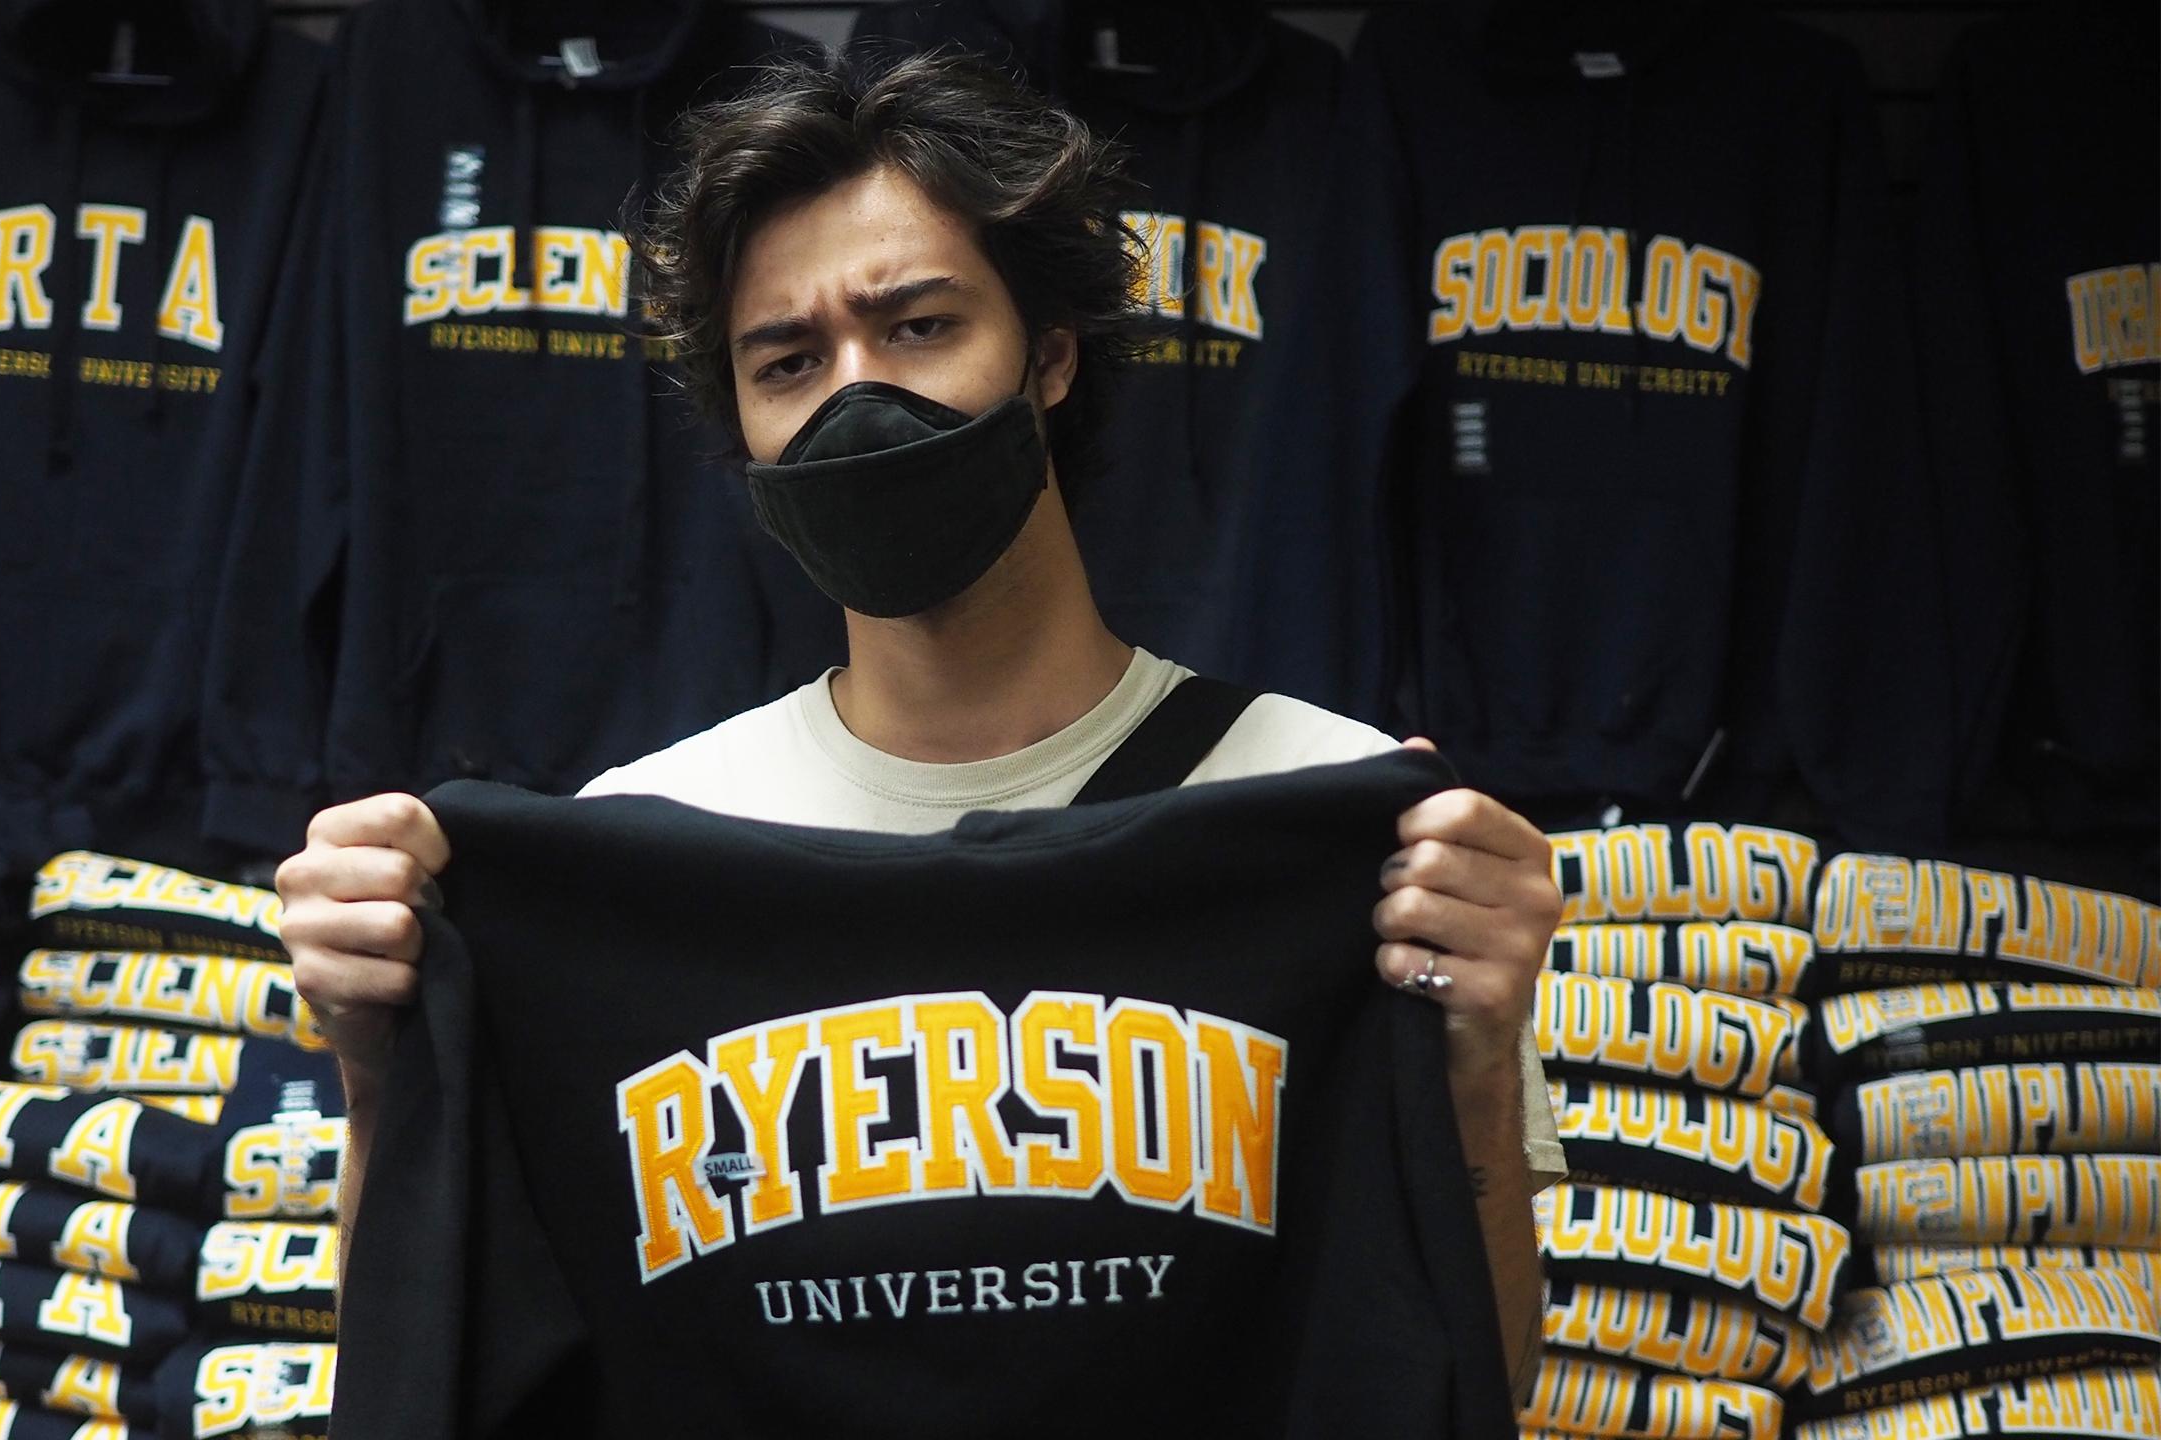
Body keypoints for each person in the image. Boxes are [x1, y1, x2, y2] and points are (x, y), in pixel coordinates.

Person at [277, 48, 1567, 1397]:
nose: (854, 399)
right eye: (788, 360)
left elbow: (1477, 1379)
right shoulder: (636, 851)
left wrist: (1474, 1057)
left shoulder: (1339, 811)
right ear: (745, 438)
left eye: (917, 327)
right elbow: (446, 1371)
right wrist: (383, 1074)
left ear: (1051, 355)